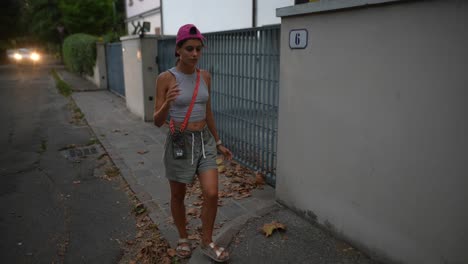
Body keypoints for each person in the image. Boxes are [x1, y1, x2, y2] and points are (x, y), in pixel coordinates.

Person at [153, 24, 232, 262]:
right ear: (178, 49)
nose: (195, 54)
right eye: (189, 49)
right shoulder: (165, 78)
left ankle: (207, 241)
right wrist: (167, 102)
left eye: (198, 49)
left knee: (211, 193)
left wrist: (217, 141)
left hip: (204, 140)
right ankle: (183, 237)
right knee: (178, 195)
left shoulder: (204, 76)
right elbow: (157, 120)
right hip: (180, 141)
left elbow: (208, 112)